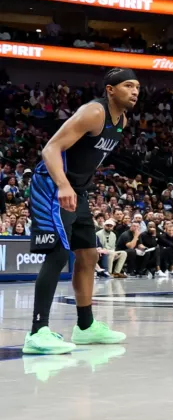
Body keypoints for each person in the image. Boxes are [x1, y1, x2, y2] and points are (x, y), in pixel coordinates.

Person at [23, 67, 137, 354]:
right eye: (127, 85)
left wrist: (78, 187)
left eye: (137, 86)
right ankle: (37, 332)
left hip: (78, 190)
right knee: (59, 253)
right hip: (51, 186)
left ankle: (85, 327)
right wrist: (63, 185)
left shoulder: (122, 119)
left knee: (87, 254)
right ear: (110, 90)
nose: (135, 91)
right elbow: (51, 149)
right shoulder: (93, 113)